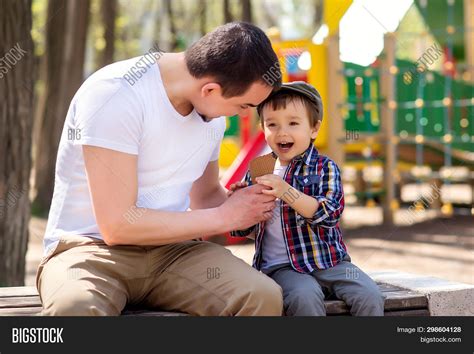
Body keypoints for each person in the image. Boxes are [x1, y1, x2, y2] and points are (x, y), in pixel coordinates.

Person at [37, 22, 285, 316]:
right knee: (75, 310)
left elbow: (205, 197)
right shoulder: (115, 94)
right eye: (244, 106)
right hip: (89, 251)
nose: (244, 115)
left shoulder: (212, 117)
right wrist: (223, 216)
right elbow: (117, 226)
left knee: (262, 296)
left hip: (174, 253)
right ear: (210, 89)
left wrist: (247, 206)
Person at [229, 82, 385, 316]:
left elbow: (329, 214)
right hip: (282, 267)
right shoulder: (259, 169)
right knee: (304, 297)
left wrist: (286, 191)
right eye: (272, 124)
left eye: (293, 123)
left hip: (331, 262)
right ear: (263, 128)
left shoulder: (325, 167)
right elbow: (244, 230)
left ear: (313, 129)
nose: (282, 132)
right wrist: (238, 203)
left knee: (370, 295)